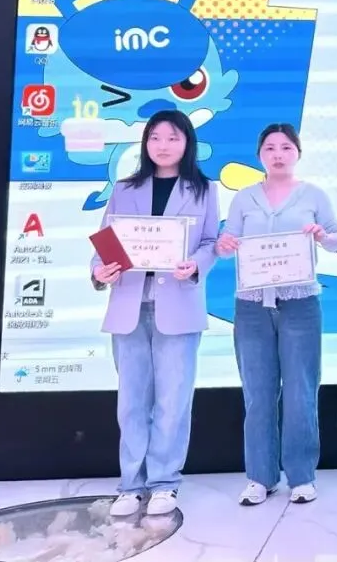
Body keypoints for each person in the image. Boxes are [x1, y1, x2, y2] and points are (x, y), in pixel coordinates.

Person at [90, 110, 220, 518]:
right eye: (156, 137)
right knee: (131, 401)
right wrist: (99, 271)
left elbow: (211, 242)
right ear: (146, 143)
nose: (163, 145)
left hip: (178, 305)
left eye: (173, 138)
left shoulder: (204, 190)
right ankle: (131, 484)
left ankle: (164, 482)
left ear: (187, 143)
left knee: (172, 400)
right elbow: (106, 242)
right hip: (129, 305)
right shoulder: (125, 188)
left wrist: (196, 265)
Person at [216, 123, 337, 507]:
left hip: (300, 303)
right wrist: (225, 243)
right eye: (270, 148)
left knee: (301, 391)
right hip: (252, 305)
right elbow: (225, 244)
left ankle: (302, 476)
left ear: (298, 153)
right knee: (258, 393)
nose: (278, 154)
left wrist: (322, 236)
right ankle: (260, 477)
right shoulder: (243, 198)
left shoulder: (314, 195)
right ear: (259, 155)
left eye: (286, 147)